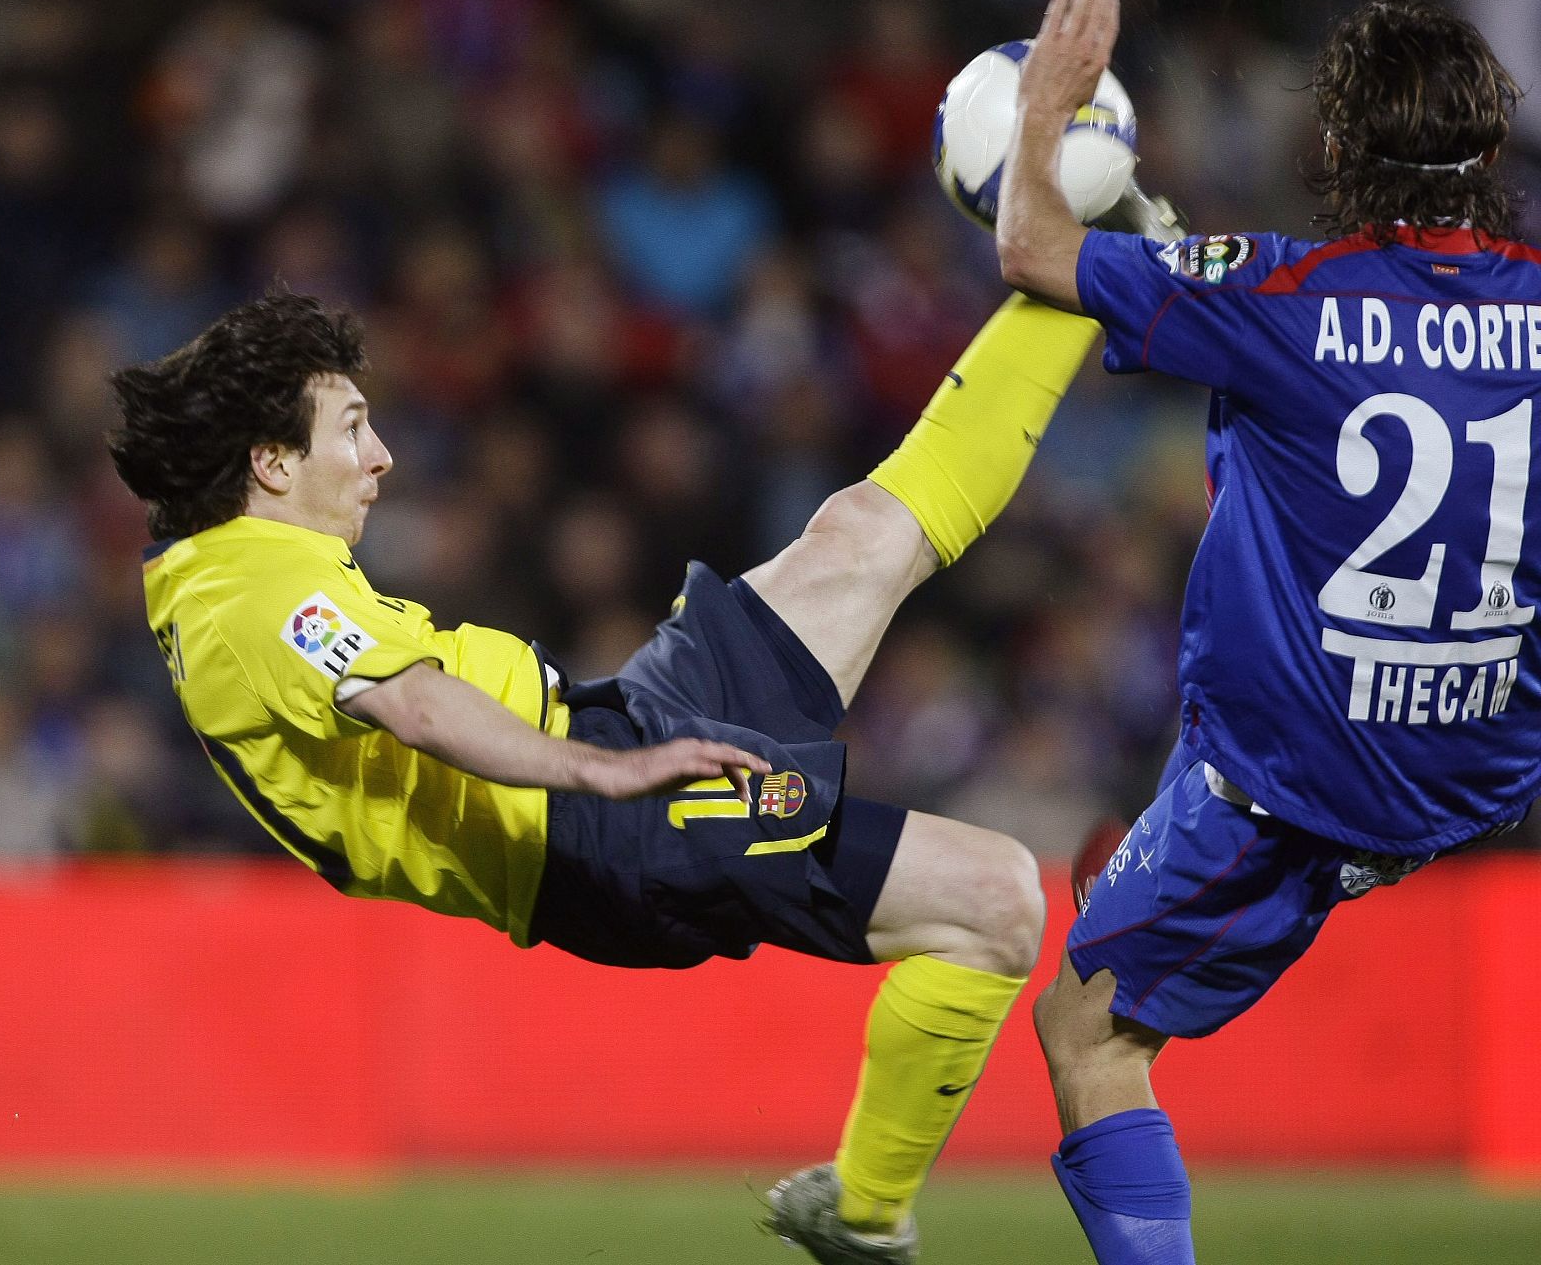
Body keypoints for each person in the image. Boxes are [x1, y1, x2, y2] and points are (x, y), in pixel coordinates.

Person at [108, 280, 1102, 1264]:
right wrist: (596, 773)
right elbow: (413, 707)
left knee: (860, 535)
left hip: (610, 719)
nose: (381, 456)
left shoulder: (231, 570)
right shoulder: (250, 598)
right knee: (998, 898)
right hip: (594, 832)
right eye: (353, 429)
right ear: (273, 462)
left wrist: (599, 747)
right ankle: (868, 1209)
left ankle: (1081, 269)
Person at [999, 0, 1540, 1264]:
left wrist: (1042, 114)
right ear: (1494, 151)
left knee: (1085, 1025)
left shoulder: (1277, 293)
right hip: (1482, 767)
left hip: (1294, 777)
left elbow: (1028, 247)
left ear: (1339, 150)